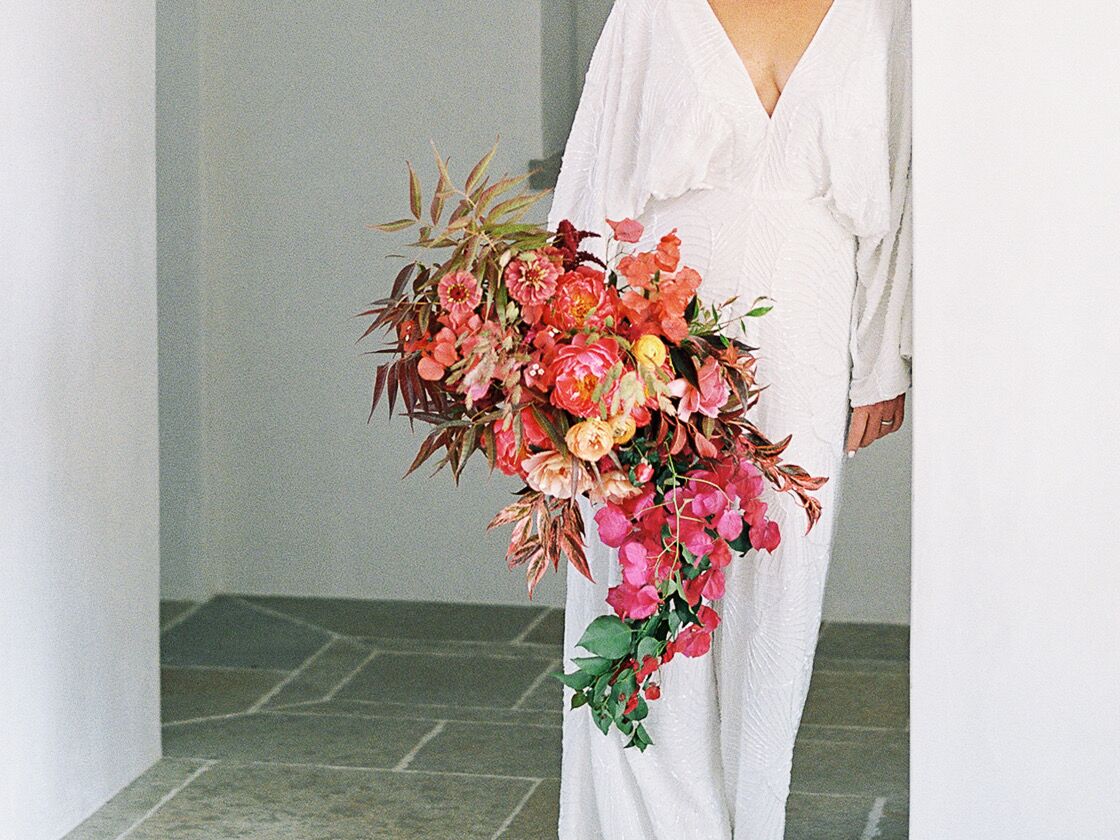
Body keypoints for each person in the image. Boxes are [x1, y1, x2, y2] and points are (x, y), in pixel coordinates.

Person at [545, 0, 912, 837]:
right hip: (654, 327)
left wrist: (880, 355)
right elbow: (596, 173)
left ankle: (752, 820)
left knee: (779, 591)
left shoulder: (886, 12)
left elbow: (901, 180)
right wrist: (575, 356)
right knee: (643, 575)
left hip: (808, 334)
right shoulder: (653, 8)